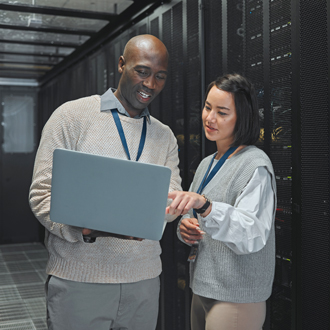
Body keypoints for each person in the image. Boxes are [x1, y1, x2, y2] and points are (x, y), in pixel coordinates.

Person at [29, 34, 181, 330]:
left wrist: (164, 209)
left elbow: (172, 197)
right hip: (79, 280)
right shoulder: (71, 116)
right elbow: (41, 194)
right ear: (122, 65)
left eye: (160, 76)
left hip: (143, 281)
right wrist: (83, 229)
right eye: (142, 71)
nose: (151, 84)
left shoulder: (164, 135)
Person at [166, 73, 276, 330]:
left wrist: (206, 206)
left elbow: (251, 234)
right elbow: (190, 213)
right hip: (204, 285)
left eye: (222, 112)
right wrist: (185, 228)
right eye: (207, 107)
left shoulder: (255, 164)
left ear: (243, 117)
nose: (210, 118)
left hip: (236, 296)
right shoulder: (208, 163)